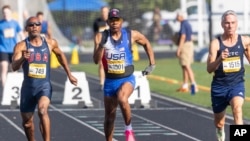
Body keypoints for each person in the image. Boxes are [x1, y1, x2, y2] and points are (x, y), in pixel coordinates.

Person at [93, 8, 155, 141]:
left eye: (117, 20)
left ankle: (129, 130)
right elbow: (95, 60)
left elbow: (146, 43)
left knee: (122, 98)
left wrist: (152, 64)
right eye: (112, 20)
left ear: (121, 21)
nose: (115, 22)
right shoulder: (100, 36)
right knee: (109, 118)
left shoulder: (131, 34)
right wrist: (101, 47)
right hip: (110, 81)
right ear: (108, 22)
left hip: (126, 78)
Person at [11, 16, 78, 141]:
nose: (34, 27)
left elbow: (60, 55)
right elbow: (14, 66)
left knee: (42, 110)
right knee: (27, 123)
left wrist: (69, 73)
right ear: (26, 28)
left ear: (41, 27)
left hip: (44, 86)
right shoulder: (21, 46)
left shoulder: (50, 43)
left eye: (37, 24)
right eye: (31, 25)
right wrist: (22, 58)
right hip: (28, 89)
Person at [206, 10, 250, 141]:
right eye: (227, 23)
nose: (230, 26)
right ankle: (220, 132)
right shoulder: (216, 43)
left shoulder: (244, 41)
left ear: (237, 24)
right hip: (219, 87)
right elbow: (209, 69)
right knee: (219, 122)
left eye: (233, 23)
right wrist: (220, 59)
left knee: (237, 109)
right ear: (222, 24)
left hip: (237, 85)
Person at [0, 5, 25, 88]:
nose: (5, 14)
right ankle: (4, 89)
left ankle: (14, 88)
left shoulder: (15, 23)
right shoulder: (1, 24)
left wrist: (24, 44)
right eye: (4, 12)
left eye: (7, 12)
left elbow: (21, 34)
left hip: (14, 50)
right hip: (3, 49)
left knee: (14, 69)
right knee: (4, 68)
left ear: (10, 13)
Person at [175, 10, 198, 94]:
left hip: (185, 45)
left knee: (187, 66)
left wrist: (179, 48)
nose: (176, 17)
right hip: (189, 44)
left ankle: (193, 86)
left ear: (181, 16)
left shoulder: (184, 23)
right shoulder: (186, 23)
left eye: (177, 15)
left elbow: (183, 36)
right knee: (184, 66)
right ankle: (185, 86)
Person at [93, 6, 110, 90]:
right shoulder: (97, 22)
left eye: (105, 11)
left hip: (111, 46)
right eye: (103, 11)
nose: (104, 13)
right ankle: (101, 83)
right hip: (101, 46)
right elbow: (95, 36)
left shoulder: (112, 21)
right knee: (101, 64)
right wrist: (96, 47)